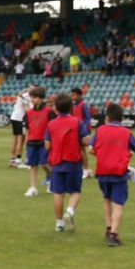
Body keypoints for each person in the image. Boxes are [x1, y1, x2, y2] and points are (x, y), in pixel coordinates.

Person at [88, 104, 135, 246]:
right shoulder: (126, 133)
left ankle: (109, 228)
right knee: (118, 204)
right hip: (119, 172)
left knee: (107, 199)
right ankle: (113, 235)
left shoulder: (100, 130)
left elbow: (90, 149)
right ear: (122, 118)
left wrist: (103, 155)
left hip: (102, 171)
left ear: (107, 117)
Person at [45, 92, 90, 233]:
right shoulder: (77, 122)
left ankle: (59, 223)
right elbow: (86, 140)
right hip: (73, 161)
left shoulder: (51, 124)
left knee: (58, 193)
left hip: (57, 162)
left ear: (55, 108)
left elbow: (47, 145)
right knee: (75, 191)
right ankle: (69, 211)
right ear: (71, 107)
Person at [24, 86, 53, 196]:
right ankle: (33, 187)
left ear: (41, 99)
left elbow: (52, 128)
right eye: (31, 97)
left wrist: (51, 142)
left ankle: (52, 179)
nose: (32, 99)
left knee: (45, 163)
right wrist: (26, 142)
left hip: (44, 142)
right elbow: (27, 129)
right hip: (31, 142)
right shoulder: (28, 113)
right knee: (33, 165)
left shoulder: (49, 112)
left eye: (34, 97)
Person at [70, 87, 93, 178]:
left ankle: (86, 169)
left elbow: (87, 118)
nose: (72, 97)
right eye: (72, 95)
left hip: (83, 131)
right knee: (81, 150)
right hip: (76, 130)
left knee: (82, 150)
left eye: (74, 95)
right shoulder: (73, 105)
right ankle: (85, 169)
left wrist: (84, 129)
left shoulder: (83, 105)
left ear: (79, 95)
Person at [9, 86, 32, 168]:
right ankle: (18, 161)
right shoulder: (26, 96)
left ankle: (12, 160)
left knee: (15, 139)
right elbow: (27, 108)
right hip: (20, 118)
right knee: (21, 139)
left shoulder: (23, 94)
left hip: (14, 117)